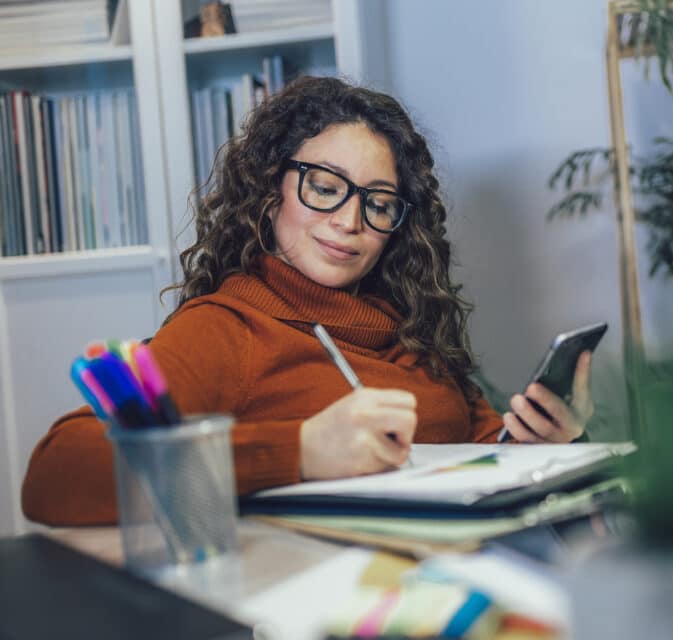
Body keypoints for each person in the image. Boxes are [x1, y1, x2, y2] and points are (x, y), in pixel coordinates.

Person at [21, 76, 594, 527]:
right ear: (271, 192)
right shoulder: (229, 327)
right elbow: (53, 473)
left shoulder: (411, 330)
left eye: (378, 202)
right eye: (324, 187)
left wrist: (542, 443)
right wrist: (298, 451)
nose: (349, 221)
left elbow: (481, 461)